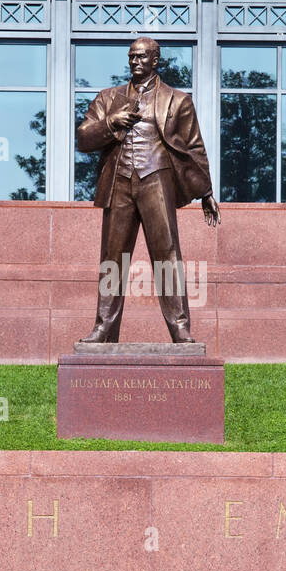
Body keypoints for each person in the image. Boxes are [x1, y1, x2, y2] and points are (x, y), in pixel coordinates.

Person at [75, 37, 221, 344]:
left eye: (141, 57)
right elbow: (84, 138)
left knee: (167, 256)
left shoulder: (177, 101)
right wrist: (111, 122)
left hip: (157, 180)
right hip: (119, 183)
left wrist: (206, 191)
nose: (135, 62)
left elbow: (195, 147)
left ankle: (180, 327)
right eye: (131, 57)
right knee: (113, 259)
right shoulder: (108, 98)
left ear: (156, 61)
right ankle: (104, 327)